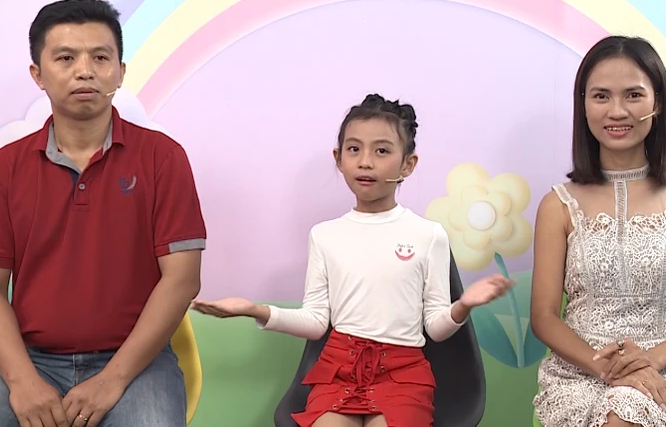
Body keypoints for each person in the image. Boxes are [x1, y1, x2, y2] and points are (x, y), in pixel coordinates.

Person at [0, 0, 206, 427]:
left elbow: (182, 279)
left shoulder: (163, 158)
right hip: (33, 362)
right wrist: (23, 383)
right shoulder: (2, 169)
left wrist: (113, 379)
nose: (85, 71)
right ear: (38, 74)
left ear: (120, 71)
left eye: (100, 57)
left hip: (137, 363)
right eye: (65, 58)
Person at [191, 94, 513, 427]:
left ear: (408, 165)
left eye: (382, 151)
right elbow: (316, 321)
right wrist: (254, 310)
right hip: (338, 369)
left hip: (402, 374)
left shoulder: (429, 235)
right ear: (339, 158)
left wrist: (463, 306)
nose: (365, 162)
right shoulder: (324, 235)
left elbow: (435, 328)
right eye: (354, 149)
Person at [529, 36, 666, 427]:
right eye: (601, 96)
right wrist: (608, 367)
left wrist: (650, 361)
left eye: (634, 95)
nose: (617, 111)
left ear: (658, 103)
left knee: (624, 408)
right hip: (580, 375)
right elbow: (543, 317)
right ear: (583, 105)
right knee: (619, 407)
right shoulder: (557, 205)